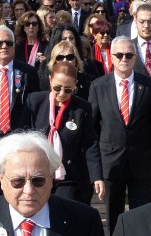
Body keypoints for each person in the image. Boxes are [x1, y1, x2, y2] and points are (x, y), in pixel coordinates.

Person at [87, 36, 151, 234]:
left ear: (135, 58)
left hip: (142, 163)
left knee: (143, 214)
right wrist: (96, 173)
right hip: (111, 163)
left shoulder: (150, 86)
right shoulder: (98, 86)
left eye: (128, 55)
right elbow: (92, 132)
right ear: (111, 57)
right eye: (119, 55)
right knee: (113, 216)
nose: (124, 59)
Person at [25, 61, 98, 204]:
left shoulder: (82, 108)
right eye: (57, 88)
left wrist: (97, 176)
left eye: (68, 89)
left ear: (75, 85)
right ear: (50, 79)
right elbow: (23, 137)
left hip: (68, 174)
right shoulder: (34, 101)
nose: (62, 94)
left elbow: (90, 143)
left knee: (63, 208)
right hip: (39, 172)